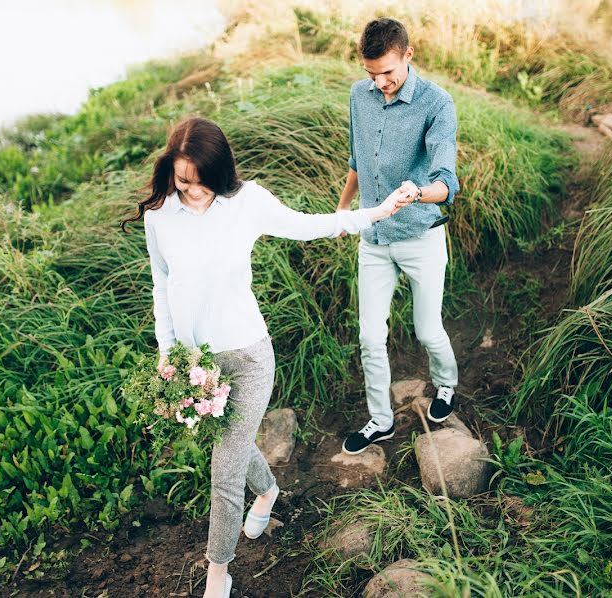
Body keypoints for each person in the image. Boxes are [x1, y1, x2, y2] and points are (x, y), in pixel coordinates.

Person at [120, 116, 410, 598]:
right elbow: (161, 286)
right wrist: (167, 356)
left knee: (223, 466)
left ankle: (218, 572)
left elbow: (311, 225)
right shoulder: (160, 215)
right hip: (199, 368)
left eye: (201, 182)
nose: (191, 191)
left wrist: (376, 213)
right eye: (182, 180)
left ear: (220, 173)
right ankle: (269, 490)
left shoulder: (246, 202)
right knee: (231, 446)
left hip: (250, 358)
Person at [337, 17, 461, 456]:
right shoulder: (359, 94)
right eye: (372, 74)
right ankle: (380, 420)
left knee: (427, 329)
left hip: (420, 236)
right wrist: (342, 210)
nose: (381, 83)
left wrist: (418, 192)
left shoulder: (437, 103)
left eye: (388, 72)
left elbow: (447, 182)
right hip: (373, 238)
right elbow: (356, 160)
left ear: (408, 55)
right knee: (370, 337)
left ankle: (446, 385)